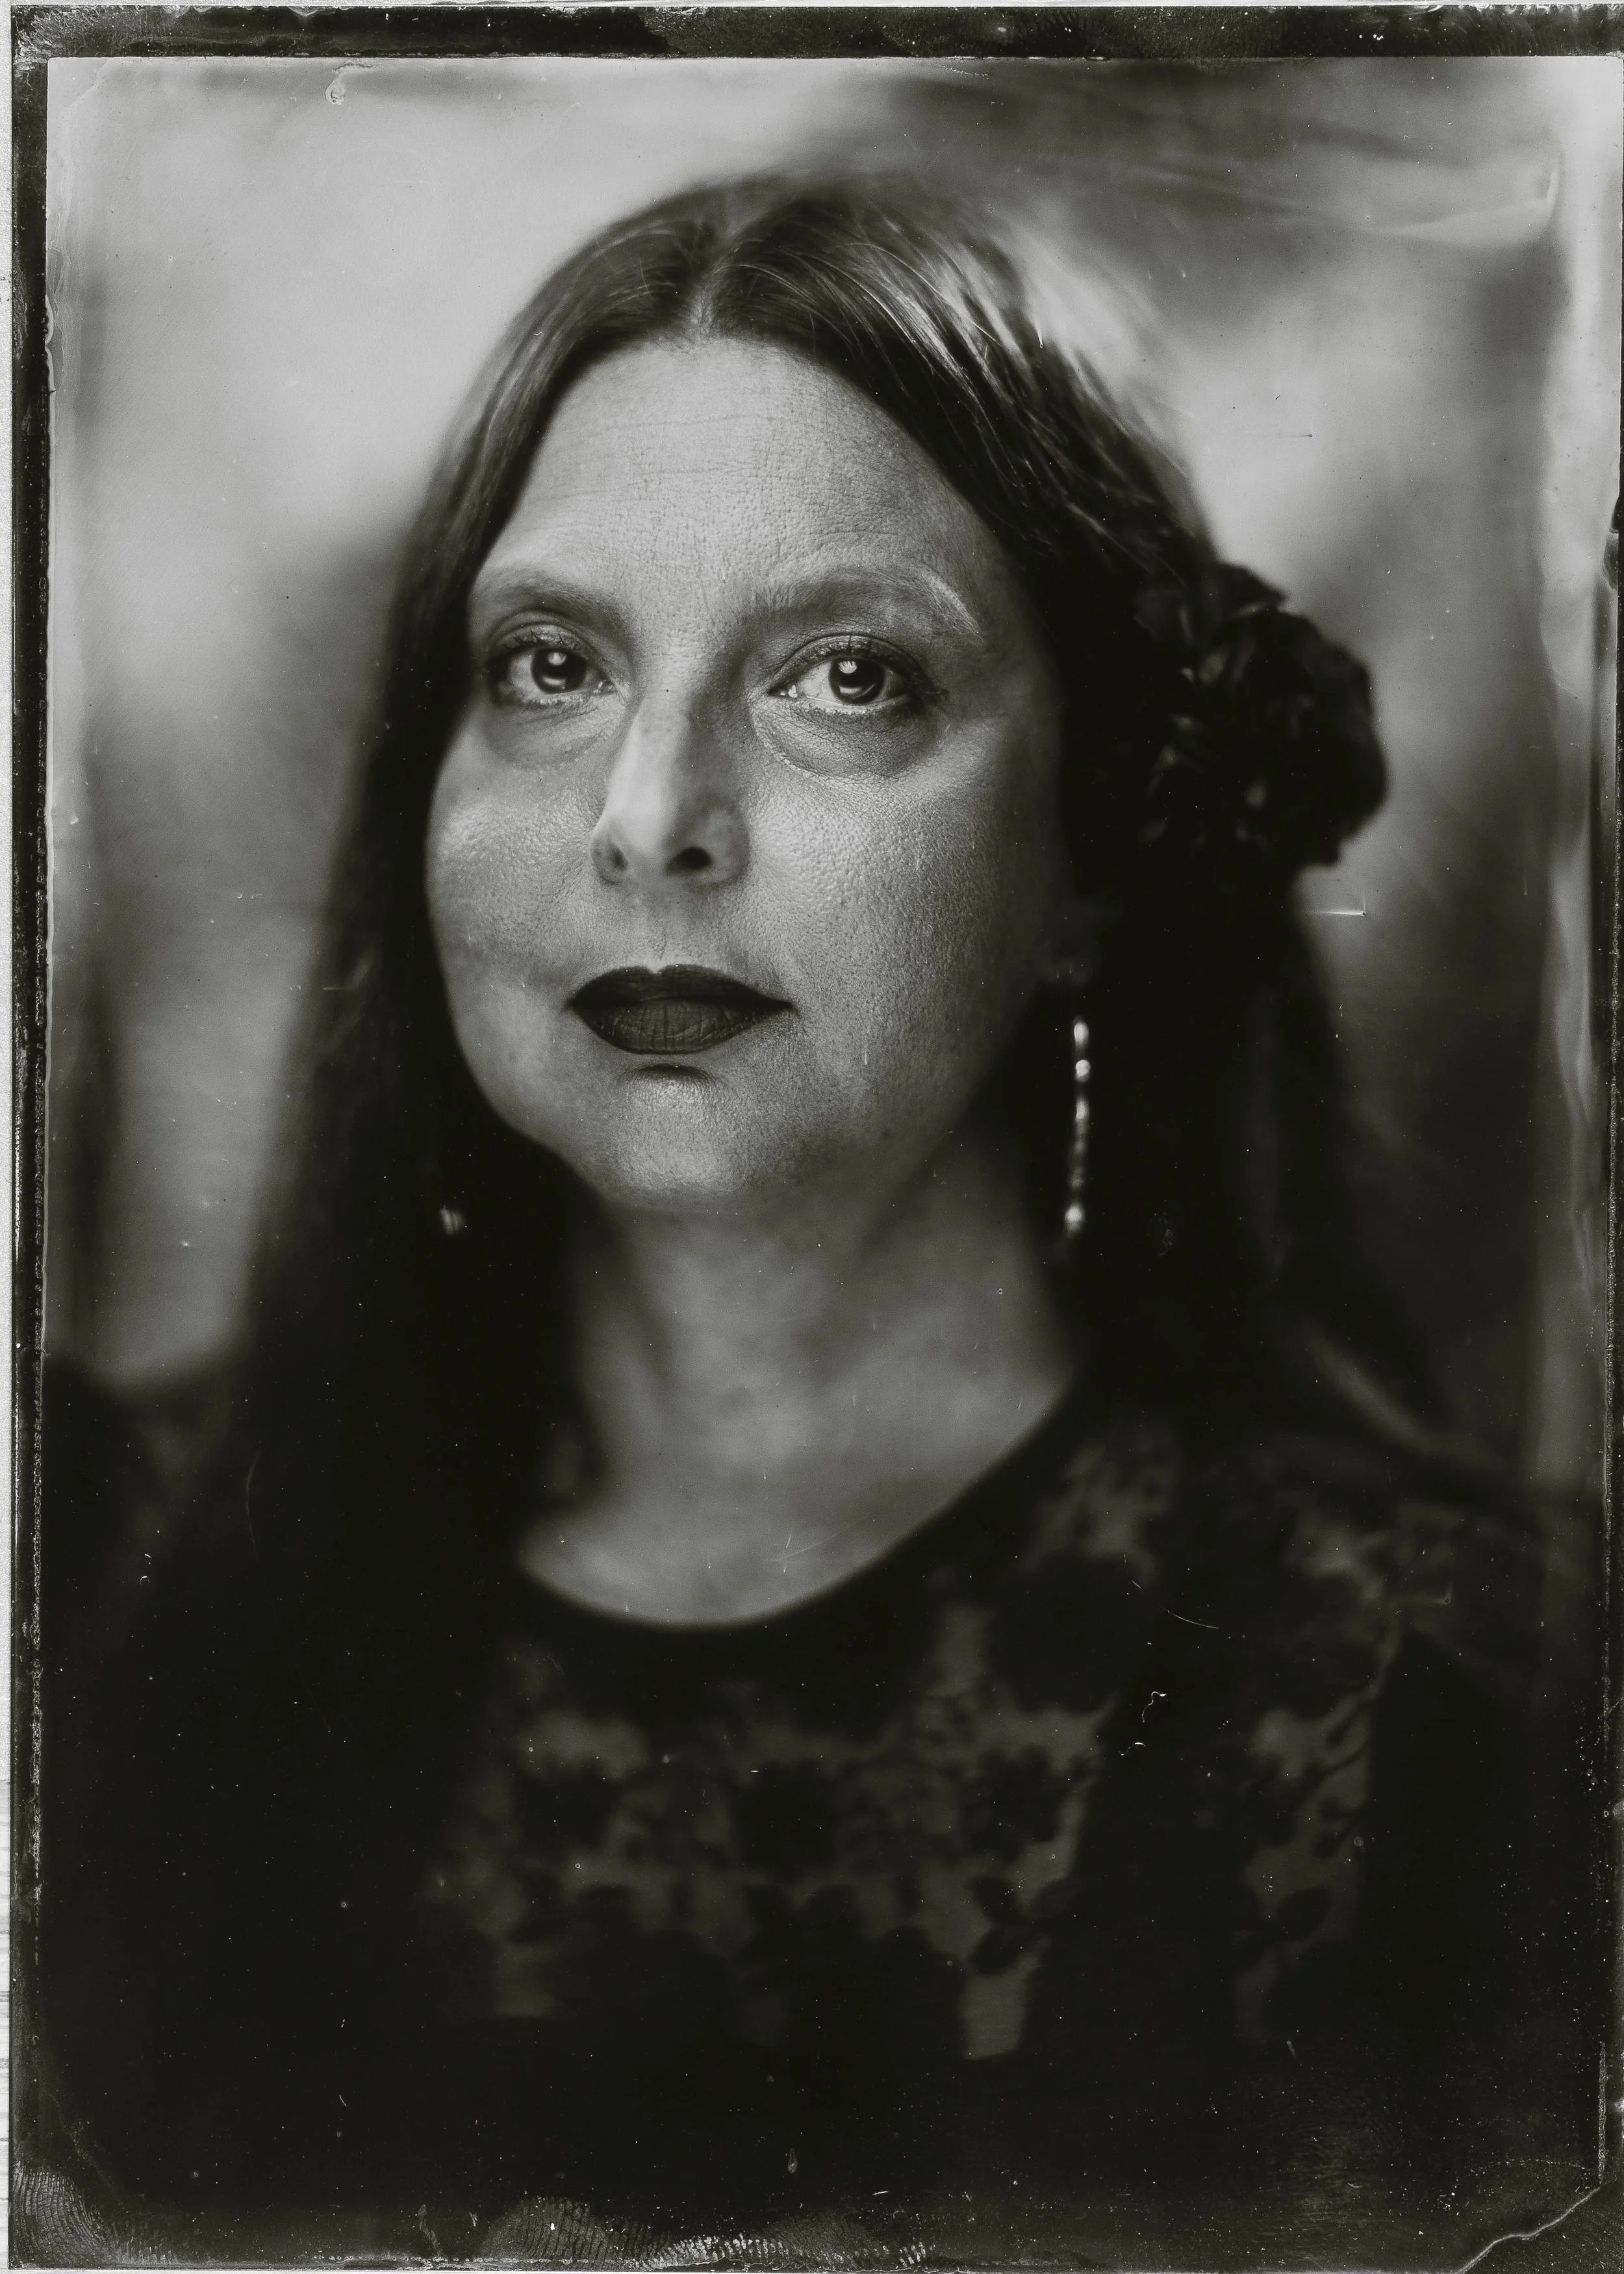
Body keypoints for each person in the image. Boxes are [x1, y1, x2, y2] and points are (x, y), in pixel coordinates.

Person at [31, 175, 1592, 2250]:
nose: (647, 817)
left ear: (1089, 862)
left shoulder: (1463, 1714)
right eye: (550, 662)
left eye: (847, 677)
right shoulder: (96, 1606)